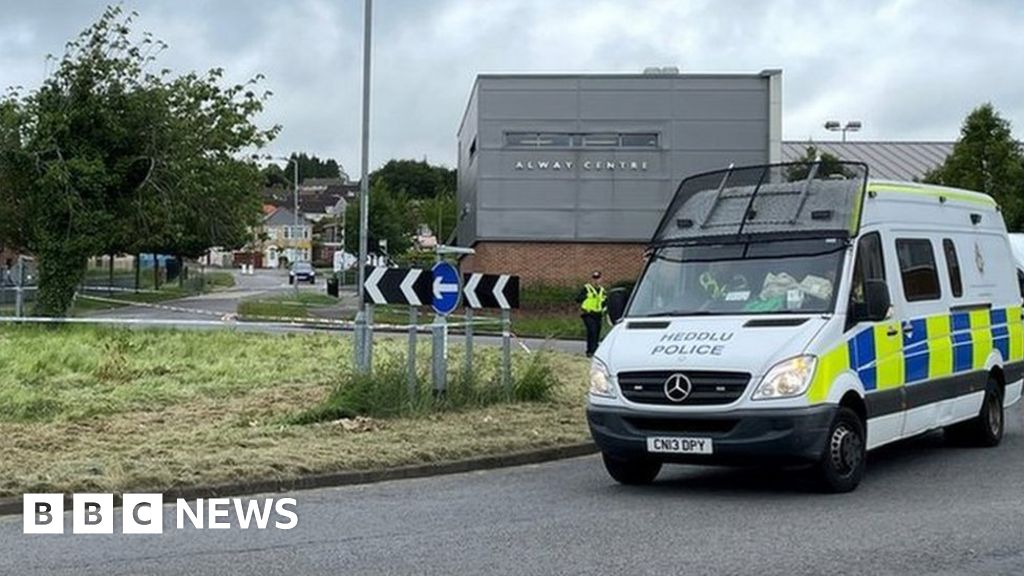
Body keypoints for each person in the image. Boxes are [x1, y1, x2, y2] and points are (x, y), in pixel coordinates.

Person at [576, 271, 607, 357]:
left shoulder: (602, 290)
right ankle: (591, 351)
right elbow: (578, 299)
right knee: (592, 331)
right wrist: (585, 297)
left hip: (598, 314)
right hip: (588, 314)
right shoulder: (587, 288)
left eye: (598, 279)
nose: (596, 281)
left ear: (601, 279)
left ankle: (593, 350)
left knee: (596, 332)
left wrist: (605, 309)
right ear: (591, 279)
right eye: (594, 279)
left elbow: (605, 302)